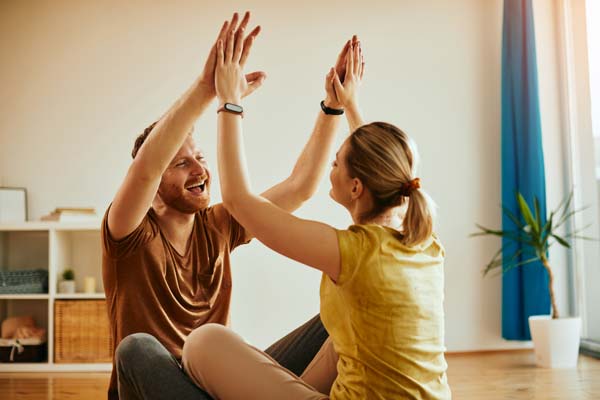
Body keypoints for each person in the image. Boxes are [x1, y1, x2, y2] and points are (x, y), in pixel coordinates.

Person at [181, 27, 452, 399]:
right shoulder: (423, 240)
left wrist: (229, 101)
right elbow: (384, 167)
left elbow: (240, 200)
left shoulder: (352, 252)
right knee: (342, 326)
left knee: (204, 342)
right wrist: (346, 104)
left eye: (337, 164)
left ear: (356, 187)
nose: (331, 168)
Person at [102, 12, 352, 400]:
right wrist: (208, 89)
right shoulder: (128, 232)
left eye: (199, 156)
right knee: (134, 348)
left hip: (214, 381)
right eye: (182, 162)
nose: (201, 168)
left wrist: (333, 107)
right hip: (156, 387)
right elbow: (146, 170)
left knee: (338, 315)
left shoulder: (219, 224)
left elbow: (301, 187)